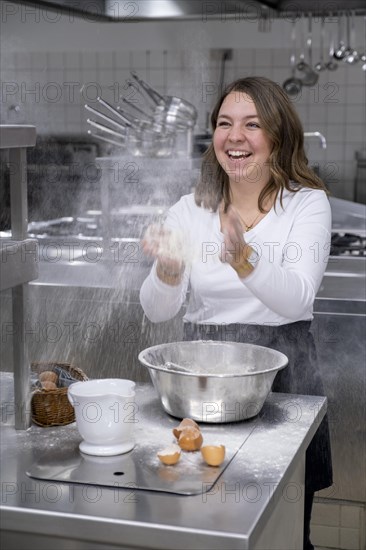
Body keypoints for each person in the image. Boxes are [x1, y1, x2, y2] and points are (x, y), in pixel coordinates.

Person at [139, 76, 333, 550]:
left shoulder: (306, 205)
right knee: (201, 518)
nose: (235, 136)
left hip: (282, 379)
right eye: (225, 123)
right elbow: (156, 309)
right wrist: (167, 270)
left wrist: (243, 257)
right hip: (199, 380)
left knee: (280, 529)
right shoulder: (190, 209)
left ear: (278, 136)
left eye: (252, 124)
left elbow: (297, 299)